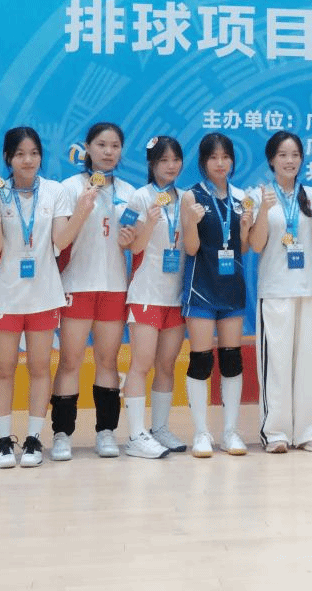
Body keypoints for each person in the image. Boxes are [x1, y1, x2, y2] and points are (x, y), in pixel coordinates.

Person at [0, 127, 82, 468]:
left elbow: (61, 241)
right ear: (8, 158)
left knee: (40, 368)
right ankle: (3, 441)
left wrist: (83, 211)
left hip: (44, 295)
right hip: (5, 296)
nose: (28, 160)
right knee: (4, 369)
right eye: (20, 154)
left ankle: (33, 439)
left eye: (34, 153)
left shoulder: (54, 191)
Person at [51, 123, 137, 461]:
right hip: (76, 285)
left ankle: (106, 432)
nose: (108, 151)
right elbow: (60, 240)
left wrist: (130, 241)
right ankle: (62, 434)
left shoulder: (130, 192)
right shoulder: (69, 188)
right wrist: (82, 210)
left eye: (115, 145)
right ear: (87, 147)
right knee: (70, 361)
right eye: (101, 144)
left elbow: (133, 240)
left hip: (114, 287)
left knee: (107, 361)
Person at [247, 132, 312, 453]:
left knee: (311, 363)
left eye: (295, 154)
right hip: (275, 290)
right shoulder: (258, 195)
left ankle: (311, 430)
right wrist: (263, 211)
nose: (289, 160)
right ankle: (276, 432)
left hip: (310, 288)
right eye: (283, 155)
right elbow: (256, 245)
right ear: (271, 160)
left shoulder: (311, 193)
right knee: (277, 364)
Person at [180, 133, 253, 457]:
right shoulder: (191, 197)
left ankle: (231, 432)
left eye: (225, 157)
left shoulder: (242, 198)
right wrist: (192, 223)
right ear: (203, 162)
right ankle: (201, 433)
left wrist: (246, 228)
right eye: (213, 157)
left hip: (232, 287)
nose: (220, 163)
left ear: (233, 160)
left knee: (232, 359)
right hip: (202, 287)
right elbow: (191, 248)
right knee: (200, 359)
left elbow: (244, 248)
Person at [117, 136, 186, 458]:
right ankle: (135, 435)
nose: (170, 166)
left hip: (176, 297)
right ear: (152, 164)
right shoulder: (139, 197)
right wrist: (149, 223)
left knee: (167, 365)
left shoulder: (186, 199)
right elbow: (129, 245)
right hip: (146, 293)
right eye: (163, 160)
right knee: (141, 364)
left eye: (175, 160)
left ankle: (159, 428)